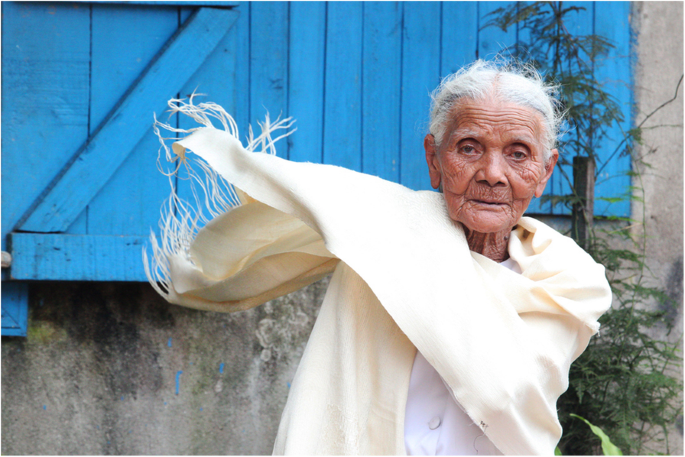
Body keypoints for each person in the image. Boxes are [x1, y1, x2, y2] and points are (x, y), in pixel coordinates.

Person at [145, 60, 612, 455]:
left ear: (544, 171)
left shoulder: (570, 282)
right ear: (434, 160)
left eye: (518, 154)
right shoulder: (378, 242)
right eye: (468, 148)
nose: (492, 174)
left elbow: (505, 393)